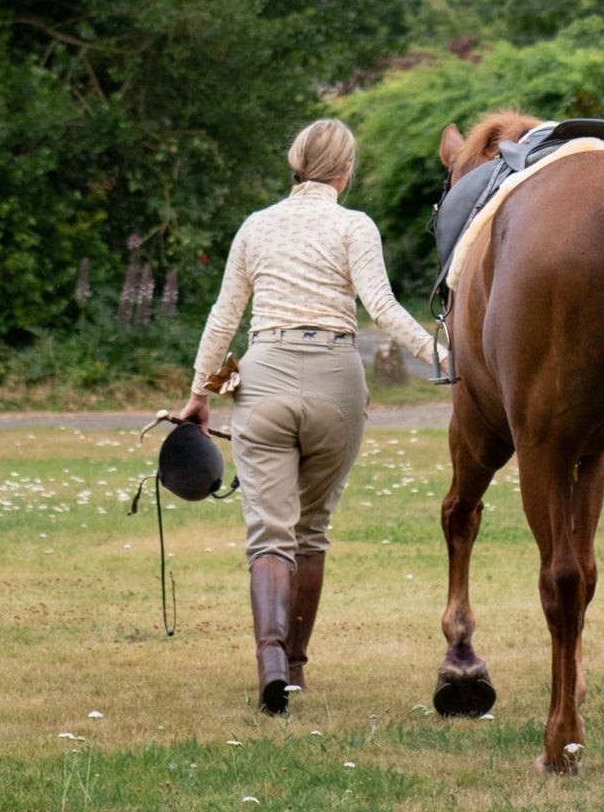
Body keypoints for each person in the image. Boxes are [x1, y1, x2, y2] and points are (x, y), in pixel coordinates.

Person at [183, 118, 442, 711]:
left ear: (295, 164)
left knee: (269, 535)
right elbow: (381, 306)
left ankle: (269, 661)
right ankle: (296, 667)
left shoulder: (256, 227)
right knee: (311, 531)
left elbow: (224, 316)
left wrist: (199, 392)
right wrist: (441, 355)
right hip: (336, 383)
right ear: (345, 172)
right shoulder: (355, 226)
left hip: (265, 375)